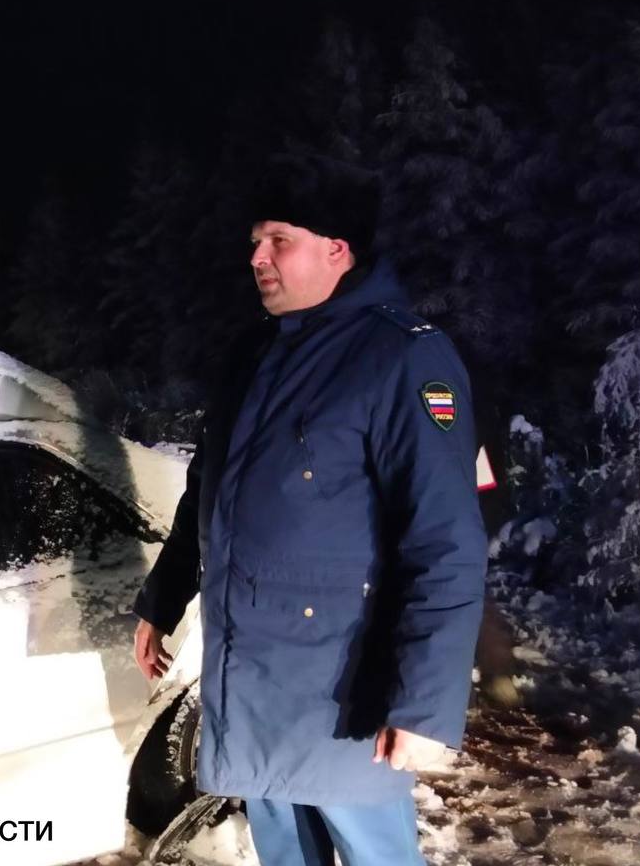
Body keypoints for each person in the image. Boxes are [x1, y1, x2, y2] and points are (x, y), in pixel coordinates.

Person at [131, 154, 487, 866]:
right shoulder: (253, 355)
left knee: (372, 855)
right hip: (253, 680)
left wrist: (422, 707)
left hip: (343, 693)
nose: (257, 258)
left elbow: (446, 542)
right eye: (255, 242)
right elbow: (211, 488)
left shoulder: (402, 359)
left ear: (337, 249)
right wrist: (162, 599)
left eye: (278, 241)